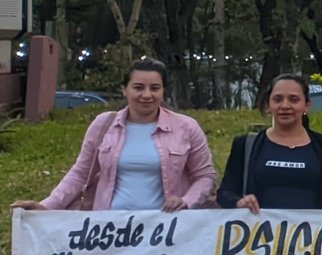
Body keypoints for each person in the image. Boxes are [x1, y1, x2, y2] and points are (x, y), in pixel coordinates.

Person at [16, 57, 214, 213]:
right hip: (110, 232)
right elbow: (80, 174)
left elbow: (204, 176)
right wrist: (47, 206)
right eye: (138, 87)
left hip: (165, 230)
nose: (146, 95)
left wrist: (186, 202)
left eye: (155, 88)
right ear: (124, 90)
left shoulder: (187, 127)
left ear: (163, 92)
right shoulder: (103, 125)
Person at [216, 74, 322, 211]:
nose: (285, 106)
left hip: (313, 231)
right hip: (258, 230)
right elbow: (225, 193)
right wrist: (239, 202)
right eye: (278, 99)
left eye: (294, 99)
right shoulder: (245, 145)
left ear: (307, 105)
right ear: (268, 105)